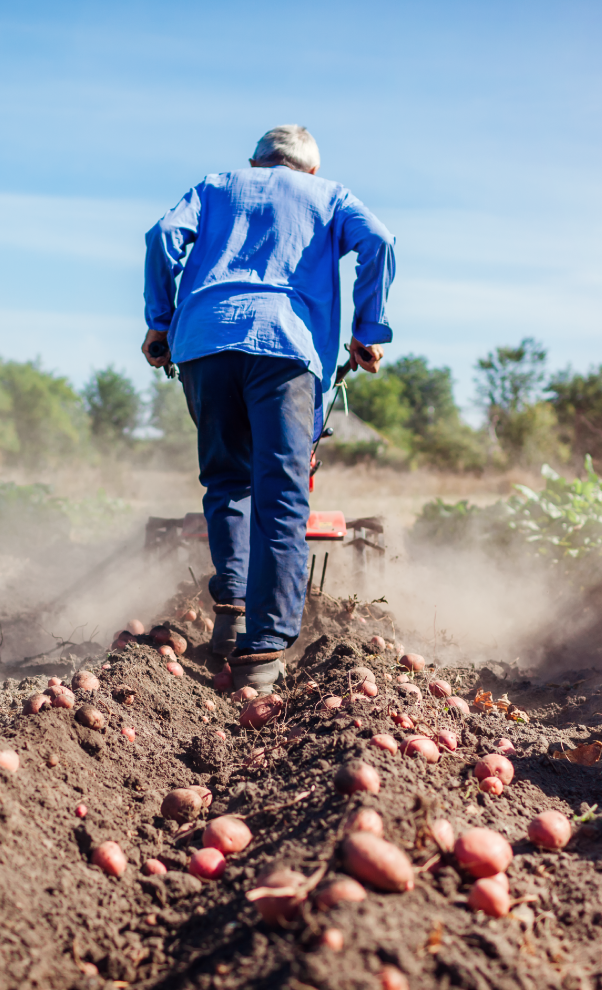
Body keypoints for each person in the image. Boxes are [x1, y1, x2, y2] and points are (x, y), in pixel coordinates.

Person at [142, 124, 396, 692]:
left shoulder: (215, 186)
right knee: (282, 493)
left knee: (228, 480)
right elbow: (378, 242)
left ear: (255, 163)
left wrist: (160, 322)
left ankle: (231, 614)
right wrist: (368, 328)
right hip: (286, 345)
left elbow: (162, 237)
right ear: (308, 169)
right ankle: (262, 656)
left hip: (205, 341)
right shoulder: (329, 194)